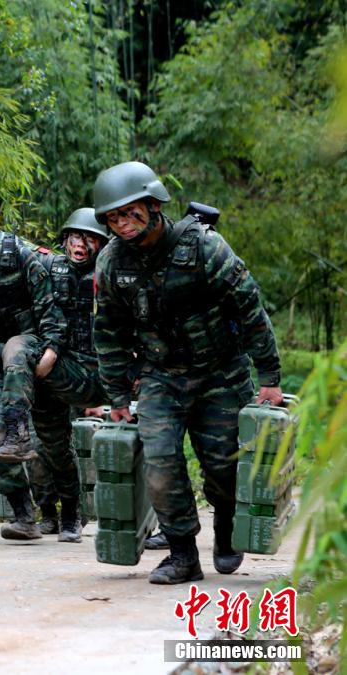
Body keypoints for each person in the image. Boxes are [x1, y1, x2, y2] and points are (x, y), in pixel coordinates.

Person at [91, 161, 283, 584]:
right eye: (114, 218)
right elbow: (108, 333)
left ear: (155, 206)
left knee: (223, 467)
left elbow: (249, 308)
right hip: (161, 376)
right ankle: (182, 554)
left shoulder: (204, 247)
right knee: (160, 463)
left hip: (221, 374)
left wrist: (268, 377)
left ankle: (226, 528)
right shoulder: (111, 264)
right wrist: (118, 397)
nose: (122, 224)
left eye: (130, 213)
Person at [0, 205, 104, 543]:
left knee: (54, 443)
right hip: (0, 366)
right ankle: (24, 516)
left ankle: (70, 511)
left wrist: (48, 351)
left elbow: (52, 312)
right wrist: (5, 354)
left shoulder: (22, 258)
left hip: (39, 359)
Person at [27, 208, 110, 534]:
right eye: (75, 237)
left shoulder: (110, 275)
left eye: (89, 239)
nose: (80, 245)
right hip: (54, 371)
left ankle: (73, 513)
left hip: (93, 374)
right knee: (46, 445)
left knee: (65, 446)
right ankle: (48, 511)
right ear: (65, 240)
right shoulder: (48, 268)